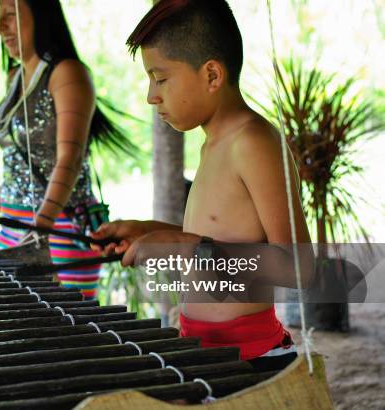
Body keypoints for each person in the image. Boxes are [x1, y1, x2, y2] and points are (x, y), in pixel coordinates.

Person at [92, 0, 314, 371]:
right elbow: (220, 239)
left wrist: (186, 245)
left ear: (212, 75)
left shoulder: (253, 142)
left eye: (160, 78)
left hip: (252, 359)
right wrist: (150, 232)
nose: (151, 95)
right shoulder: (212, 142)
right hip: (205, 349)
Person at [0, 0, 133, 300]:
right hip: (14, 223)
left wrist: (40, 228)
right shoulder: (14, 77)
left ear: (41, 17)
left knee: (65, 331)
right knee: (8, 318)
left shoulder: (67, 73)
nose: (1, 27)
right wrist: (7, 187)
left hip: (58, 226)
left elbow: (70, 156)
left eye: (11, 16)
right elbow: (23, 147)